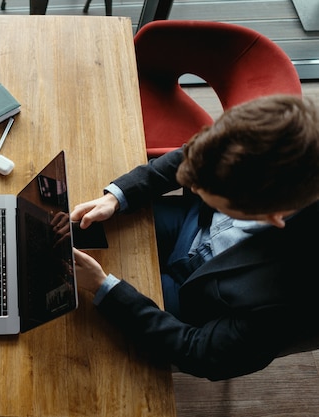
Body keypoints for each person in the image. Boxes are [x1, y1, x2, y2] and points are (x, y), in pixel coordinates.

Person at [70, 94, 319, 381]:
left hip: (198, 299)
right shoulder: (284, 140)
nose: (193, 187)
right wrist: (118, 196)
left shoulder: (286, 303)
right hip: (190, 225)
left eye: (213, 197)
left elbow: (199, 353)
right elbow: (194, 155)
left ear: (274, 216)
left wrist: (106, 288)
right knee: (74, 231)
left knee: (81, 323)